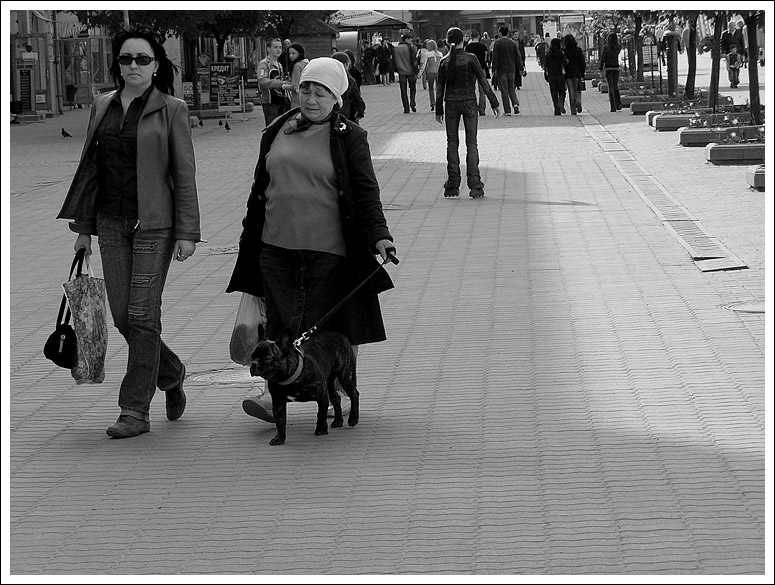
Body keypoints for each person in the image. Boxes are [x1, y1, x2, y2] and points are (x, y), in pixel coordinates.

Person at [227, 57, 396, 424]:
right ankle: (276, 396)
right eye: (306, 89)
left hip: (329, 251)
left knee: (331, 330)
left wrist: (380, 236)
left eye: (321, 92)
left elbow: (365, 193)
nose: (312, 98)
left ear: (336, 98)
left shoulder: (350, 137)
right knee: (280, 328)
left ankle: (337, 393)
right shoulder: (277, 129)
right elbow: (260, 188)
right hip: (275, 248)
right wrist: (248, 239)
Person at [57, 26, 201, 439]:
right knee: (124, 317)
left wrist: (187, 231)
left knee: (142, 314)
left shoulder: (171, 109)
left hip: (154, 226)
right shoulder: (101, 105)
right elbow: (90, 172)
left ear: (156, 66)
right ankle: (171, 373)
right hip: (110, 224)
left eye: (141, 59)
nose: (133, 66)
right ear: (117, 65)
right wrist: (84, 229)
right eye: (125, 59)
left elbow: (183, 174)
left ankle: (134, 410)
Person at [436, 27, 500, 199]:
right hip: (470, 103)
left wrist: (438, 109)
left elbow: (439, 88)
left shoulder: (444, 61)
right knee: (471, 143)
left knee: (452, 143)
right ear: (462, 40)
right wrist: (494, 103)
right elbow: (483, 81)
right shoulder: (470, 58)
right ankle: (475, 184)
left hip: (450, 104)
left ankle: (453, 183)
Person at [490, 25, 522, 115]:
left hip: (501, 70)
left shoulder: (498, 43)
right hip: (511, 69)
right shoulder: (512, 43)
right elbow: (517, 56)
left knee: (504, 90)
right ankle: (515, 104)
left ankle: (507, 110)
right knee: (511, 88)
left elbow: (495, 58)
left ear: (500, 33)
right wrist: (521, 67)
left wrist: (493, 70)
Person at [257, 37, 287, 125]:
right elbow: (262, 81)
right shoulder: (264, 64)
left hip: (280, 100)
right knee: (271, 128)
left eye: (280, 47)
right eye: (275, 47)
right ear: (268, 49)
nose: (278, 50)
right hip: (270, 102)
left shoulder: (279, 65)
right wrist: (281, 84)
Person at [331, 51, 366, 124]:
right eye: (348, 63)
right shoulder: (349, 80)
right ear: (344, 64)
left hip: (328, 115)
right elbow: (356, 98)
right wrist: (360, 111)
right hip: (345, 115)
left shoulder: (327, 79)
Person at [465, 31, 490, 116]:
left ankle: (473, 108)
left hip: (471, 70)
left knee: (471, 90)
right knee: (482, 90)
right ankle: (482, 109)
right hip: (481, 69)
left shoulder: (467, 47)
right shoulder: (483, 47)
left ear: (471, 37)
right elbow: (487, 58)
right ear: (479, 36)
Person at [394, 34, 419, 113]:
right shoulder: (411, 48)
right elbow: (414, 61)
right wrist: (416, 71)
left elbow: (394, 60)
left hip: (401, 71)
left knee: (403, 91)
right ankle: (412, 102)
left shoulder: (397, 48)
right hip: (411, 71)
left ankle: (406, 108)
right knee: (412, 88)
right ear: (407, 39)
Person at [544, 37, 568, 115]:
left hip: (551, 76)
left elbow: (545, 65)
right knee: (562, 91)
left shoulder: (548, 54)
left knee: (553, 93)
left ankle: (556, 110)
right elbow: (564, 63)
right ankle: (561, 101)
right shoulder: (560, 53)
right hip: (560, 75)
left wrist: (546, 75)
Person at [563, 34, 586, 114]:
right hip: (577, 73)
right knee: (577, 89)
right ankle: (578, 102)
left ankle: (573, 111)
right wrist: (582, 72)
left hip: (568, 74)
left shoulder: (564, 51)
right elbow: (582, 62)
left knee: (571, 91)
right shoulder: (578, 50)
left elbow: (563, 63)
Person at [281, 42, 308, 109]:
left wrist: (283, 86)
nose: (291, 56)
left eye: (293, 53)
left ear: (299, 53)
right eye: (289, 54)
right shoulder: (306, 63)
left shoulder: (297, 65)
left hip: (297, 100)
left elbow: (295, 86)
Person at [418, 39, 443, 111]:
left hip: (430, 73)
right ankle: (439, 103)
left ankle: (432, 103)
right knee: (439, 89)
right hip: (439, 73)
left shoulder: (427, 54)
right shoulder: (440, 54)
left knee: (431, 89)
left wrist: (420, 74)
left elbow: (424, 65)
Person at [599, 32, 622, 112]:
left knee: (611, 87)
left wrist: (601, 66)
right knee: (615, 86)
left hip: (608, 68)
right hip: (616, 68)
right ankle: (618, 104)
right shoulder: (618, 47)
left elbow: (603, 57)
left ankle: (613, 107)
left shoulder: (606, 47)